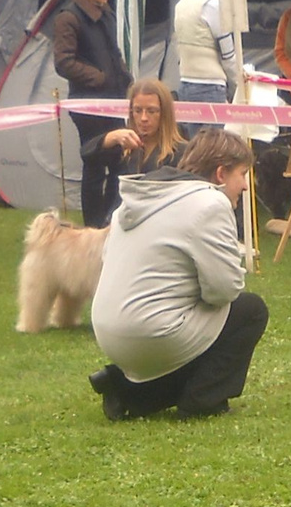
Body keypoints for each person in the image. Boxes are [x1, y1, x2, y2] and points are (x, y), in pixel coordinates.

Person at [87, 127, 268, 420]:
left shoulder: (136, 200)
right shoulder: (210, 203)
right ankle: (202, 400)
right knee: (249, 310)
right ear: (221, 174)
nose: (246, 186)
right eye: (242, 174)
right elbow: (224, 290)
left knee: (193, 330)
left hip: (108, 331)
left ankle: (129, 391)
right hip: (153, 333)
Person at [52, 0, 133, 227]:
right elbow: (63, 62)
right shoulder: (68, 17)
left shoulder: (106, 13)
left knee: (119, 162)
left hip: (113, 100)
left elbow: (114, 53)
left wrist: (126, 80)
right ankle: (94, 224)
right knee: (95, 164)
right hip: (87, 104)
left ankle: (107, 220)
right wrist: (97, 78)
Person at [80, 78, 187, 223]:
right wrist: (109, 138)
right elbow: (86, 155)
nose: (143, 118)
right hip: (117, 222)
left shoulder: (180, 151)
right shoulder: (124, 145)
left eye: (151, 111)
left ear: (164, 113)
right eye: (137, 111)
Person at [174, 0, 240, 137]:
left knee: (195, 148)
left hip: (185, 83)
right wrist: (238, 85)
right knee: (215, 147)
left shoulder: (182, 3)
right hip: (210, 87)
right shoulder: (213, 4)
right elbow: (227, 54)